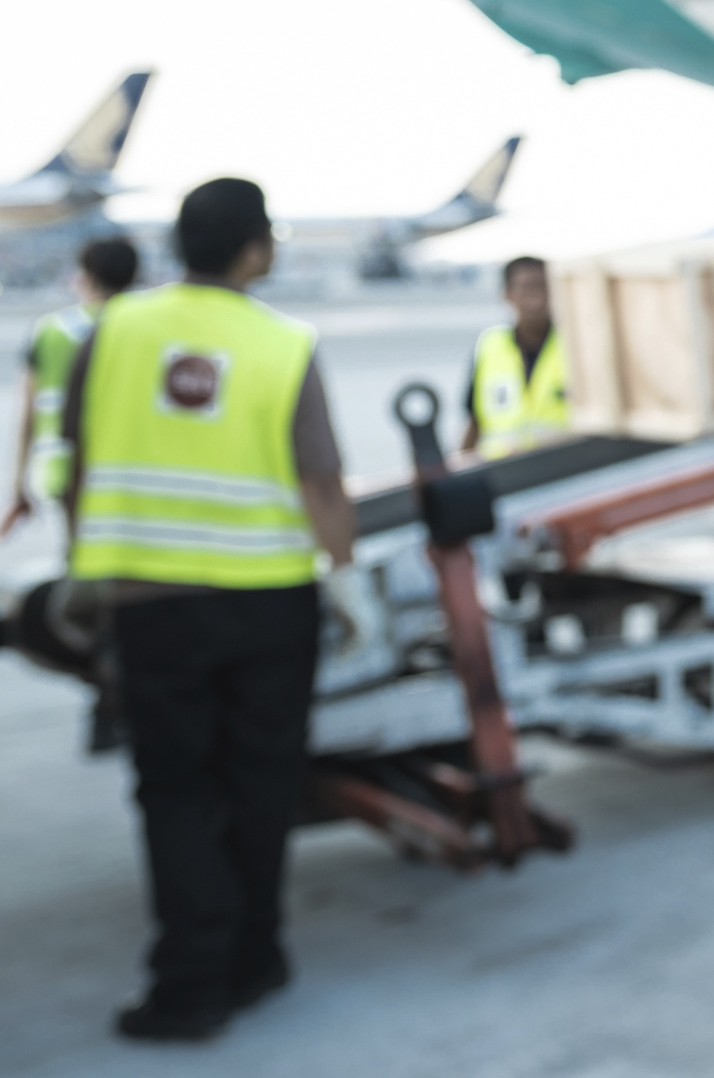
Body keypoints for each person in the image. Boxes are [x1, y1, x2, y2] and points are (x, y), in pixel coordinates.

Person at [65, 178, 357, 1042]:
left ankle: (191, 986)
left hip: (154, 602)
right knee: (261, 785)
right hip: (271, 601)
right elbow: (322, 479)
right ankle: (255, 959)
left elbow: (77, 452)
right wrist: (341, 575)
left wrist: (86, 563)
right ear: (256, 249)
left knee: (176, 791)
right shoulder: (284, 341)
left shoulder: (114, 329)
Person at [3, 235, 140, 550]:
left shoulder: (51, 330)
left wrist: (18, 484)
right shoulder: (144, 331)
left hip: (60, 466)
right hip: (127, 469)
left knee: (76, 557)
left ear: (86, 275)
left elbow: (28, 414)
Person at [461, 254, 566, 460]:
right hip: (503, 473)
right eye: (526, 288)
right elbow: (475, 421)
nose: (536, 297)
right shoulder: (489, 346)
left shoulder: (574, 345)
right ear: (508, 294)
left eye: (542, 287)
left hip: (565, 471)